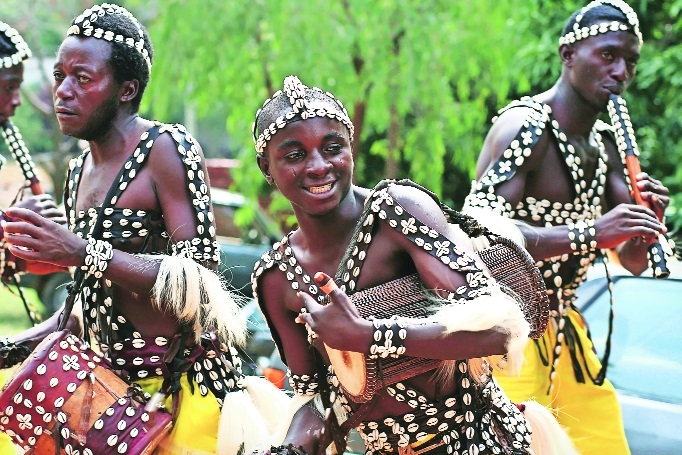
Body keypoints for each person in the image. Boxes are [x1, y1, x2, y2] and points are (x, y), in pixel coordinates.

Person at [1, 4, 286, 454]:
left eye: (83, 78)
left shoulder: (165, 148)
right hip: (106, 398)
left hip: (183, 393)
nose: (63, 91)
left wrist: (80, 251)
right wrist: (14, 346)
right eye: (59, 76)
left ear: (126, 90)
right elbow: (85, 306)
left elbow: (199, 278)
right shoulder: (77, 172)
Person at [251, 75, 577, 455]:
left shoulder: (396, 211)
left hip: (477, 442)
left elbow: (501, 330)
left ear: (351, 148)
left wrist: (369, 335)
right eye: (295, 155)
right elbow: (315, 400)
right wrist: (287, 449)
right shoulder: (276, 278)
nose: (319, 166)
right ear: (266, 167)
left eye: (333, 147)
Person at [463, 1, 671, 454]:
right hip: (504, 329)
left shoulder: (606, 146)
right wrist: (592, 234)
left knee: (606, 444)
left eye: (630, 61)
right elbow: (478, 234)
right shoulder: (525, 127)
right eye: (608, 55)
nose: (621, 72)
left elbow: (634, 262)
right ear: (568, 54)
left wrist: (647, 222)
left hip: (566, 332)